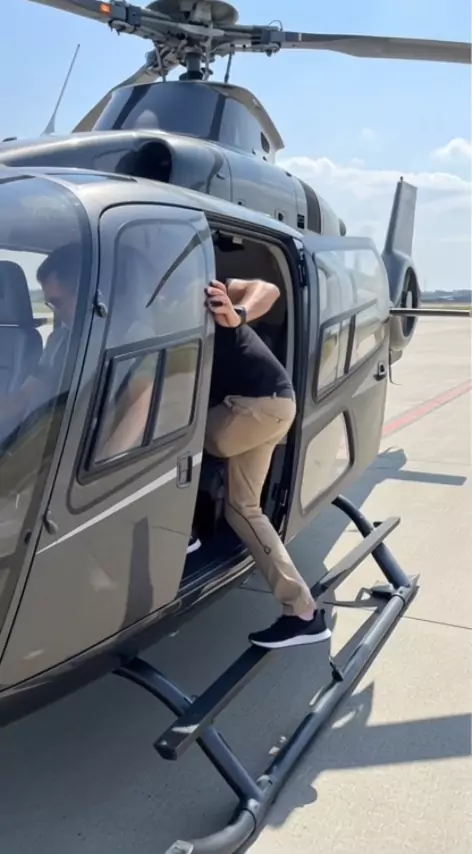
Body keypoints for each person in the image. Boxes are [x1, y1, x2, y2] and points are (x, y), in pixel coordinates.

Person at [202, 277, 332, 650]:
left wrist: (238, 313)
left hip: (256, 406)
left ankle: (185, 535)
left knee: (174, 433)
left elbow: (269, 289)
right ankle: (303, 613)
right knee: (242, 510)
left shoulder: (204, 289)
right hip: (271, 406)